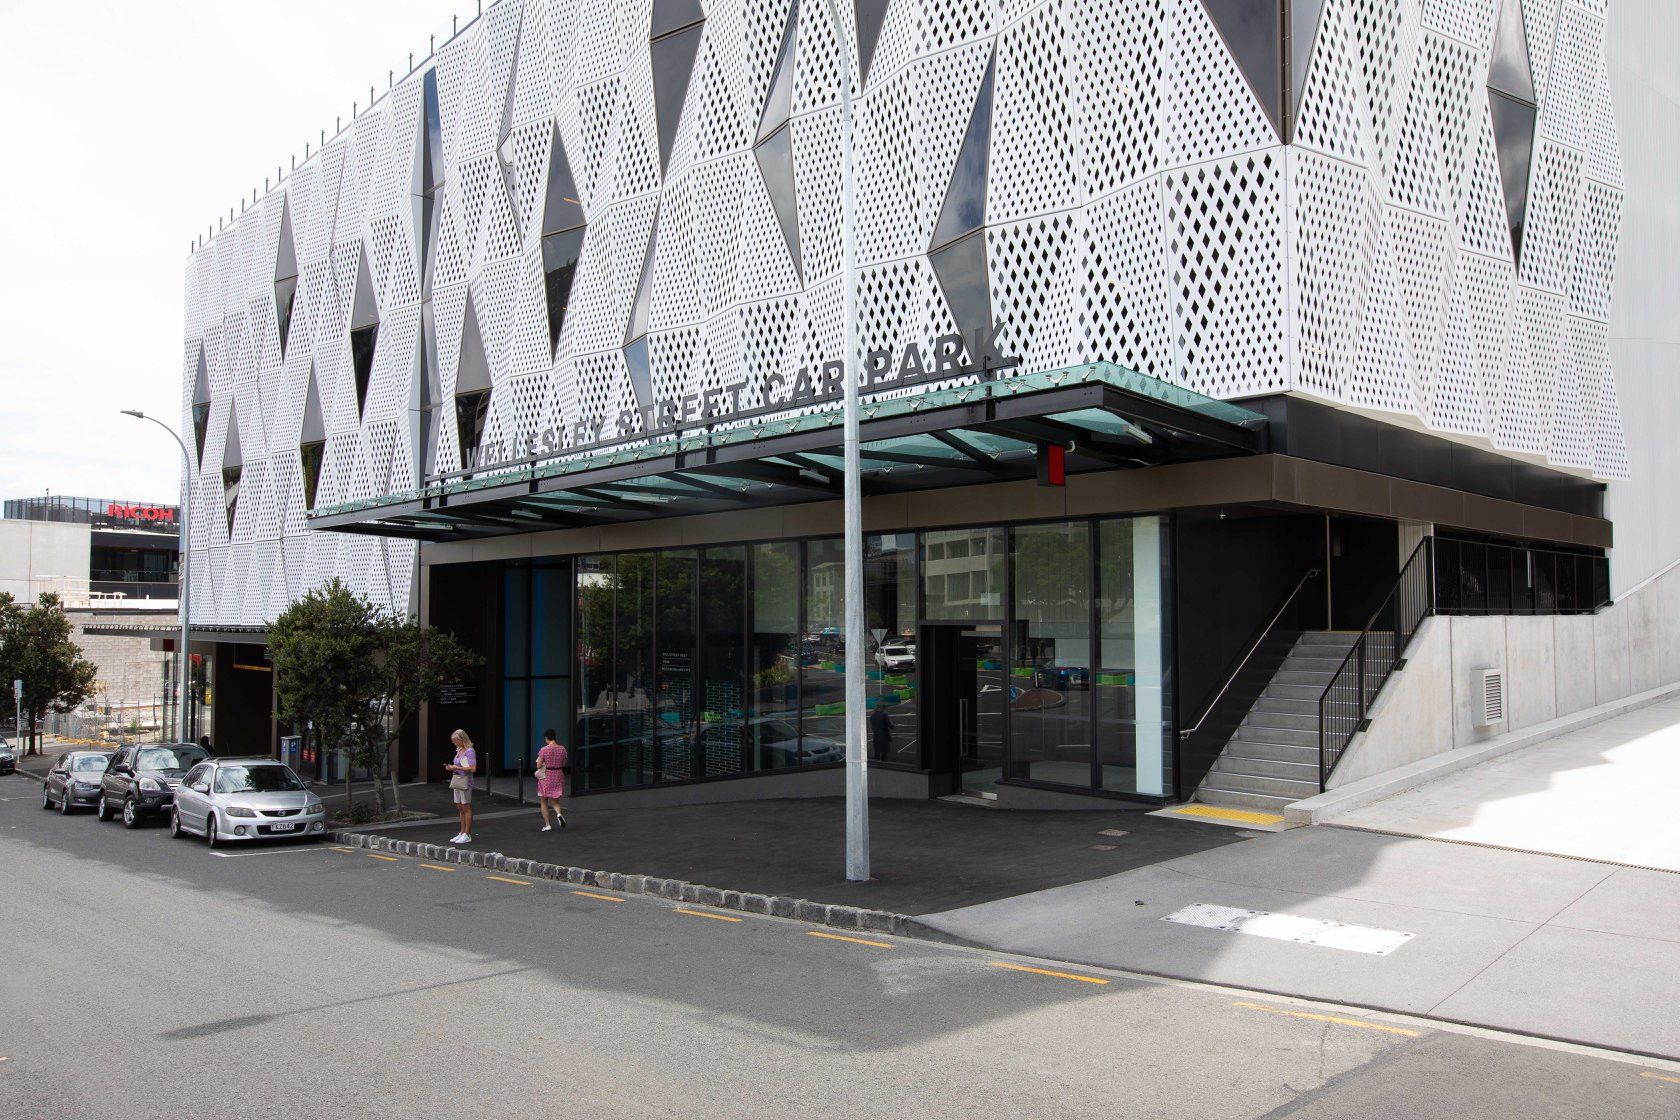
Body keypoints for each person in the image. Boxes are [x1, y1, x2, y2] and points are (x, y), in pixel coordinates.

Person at [445, 729, 476, 843]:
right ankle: (462, 832)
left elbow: (472, 768)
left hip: (465, 782)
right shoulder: (459, 750)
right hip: (458, 780)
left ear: (462, 739)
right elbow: (458, 764)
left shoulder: (469, 751)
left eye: (456, 741)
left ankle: (467, 834)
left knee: (466, 807)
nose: (454, 743)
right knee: (460, 807)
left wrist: (456, 768)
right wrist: (451, 767)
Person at [534, 728, 568, 831]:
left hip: (546, 776)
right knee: (555, 801)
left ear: (546, 738)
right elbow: (564, 764)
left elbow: (538, 766)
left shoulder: (544, 750)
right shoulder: (562, 749)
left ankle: (547, 825)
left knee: (544, 800)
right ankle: (558, 814)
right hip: (558, 775)